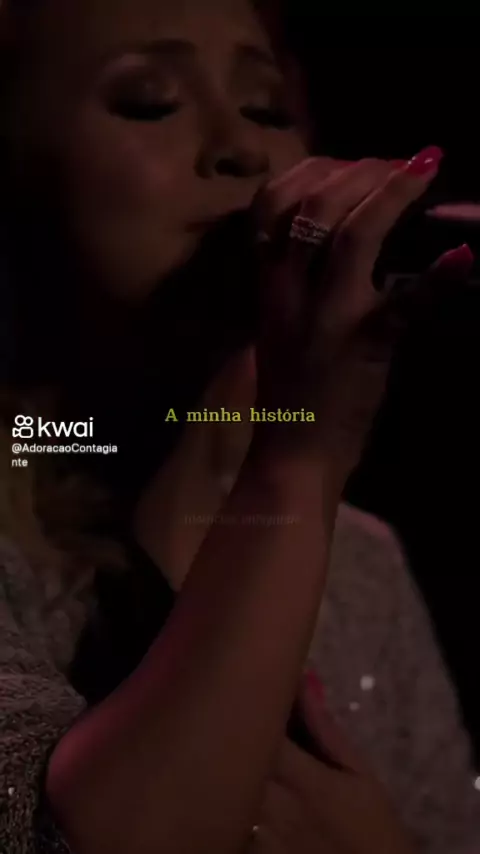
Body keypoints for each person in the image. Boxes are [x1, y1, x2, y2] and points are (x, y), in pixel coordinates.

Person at [0, 1, 478, 852]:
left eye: (267, 108)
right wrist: (301, 459)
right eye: (150, 102)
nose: (244, 150)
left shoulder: (363, 565)